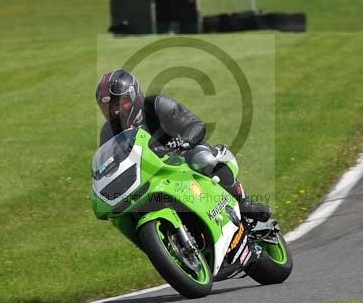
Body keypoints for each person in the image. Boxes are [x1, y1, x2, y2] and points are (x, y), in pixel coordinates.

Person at [95, 69, 270, 222]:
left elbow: (195, 125)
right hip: (148, 176)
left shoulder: (156, 105)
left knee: (203, 159)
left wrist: (184, 141)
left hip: (181, 158)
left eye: (119, 103)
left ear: (134, 96)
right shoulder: (108, 133)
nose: (115, 111)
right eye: (108, 107)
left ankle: (244, 204)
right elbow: (111, 165)